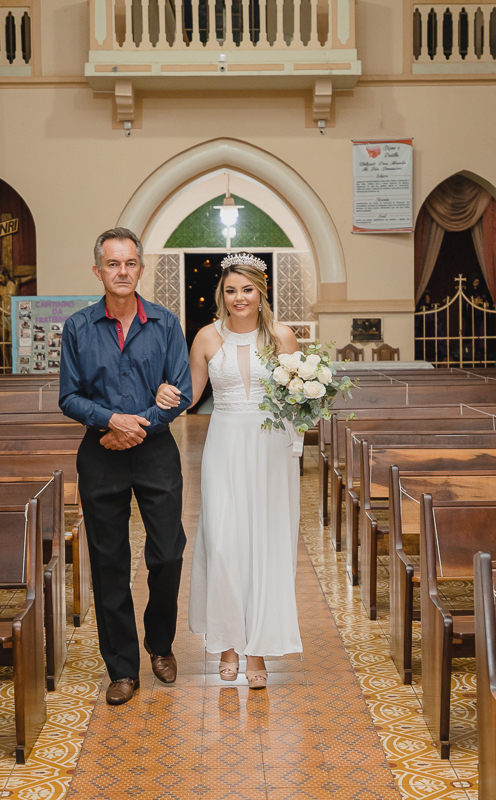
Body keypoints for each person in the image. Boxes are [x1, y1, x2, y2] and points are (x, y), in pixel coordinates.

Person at [154, 253, 302, 689]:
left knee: (265, 544)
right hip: (223, 446)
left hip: (270, 448)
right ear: (222, 294)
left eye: (247, 289)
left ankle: (257, 651)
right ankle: (226, 645)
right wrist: (162, 394)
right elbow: (189, 396)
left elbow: (297, 398)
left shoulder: (282, 336)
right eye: (231, 290)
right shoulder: (206, 337)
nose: (239, 298)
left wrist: (313, 395)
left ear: (261, 292)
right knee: (222, 543)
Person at [58, 227, 193, 706]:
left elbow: (182, 390)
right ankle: (122, 667)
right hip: (101, 454)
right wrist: (110, 420)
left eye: (130, 263)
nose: (122, 271)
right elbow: (69, 396)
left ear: (141, 268)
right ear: (98, 270)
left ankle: (160, 643)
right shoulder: (78, 327)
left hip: (155, 453)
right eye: (113, 264)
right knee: (109, 560)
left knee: (168, 553)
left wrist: (138, 426)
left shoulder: (165, 323)